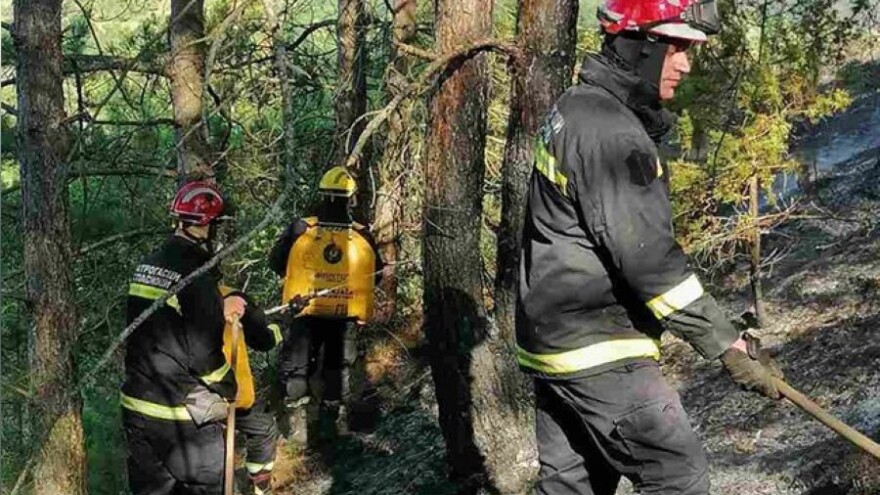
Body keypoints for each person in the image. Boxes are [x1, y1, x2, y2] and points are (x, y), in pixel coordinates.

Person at [515, 1, 783, 494]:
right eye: (677, 48)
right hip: (600, 347)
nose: (686, 64)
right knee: (677, 476)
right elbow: (649, 261)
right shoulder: (611, 132)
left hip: (554, 347)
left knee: (569, 487)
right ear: (640, 45)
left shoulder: (575, 107)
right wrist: (725, 343)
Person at [122, 180, 248, 494]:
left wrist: (217, 305)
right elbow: (203, 354)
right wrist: (228, 385)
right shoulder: (197, 274)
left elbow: (165, 325)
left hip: (137, 407)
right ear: (207, 226)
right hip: (181, 417)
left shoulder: (148, 264)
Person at [269, 166, 383, 444]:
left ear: (321, 194)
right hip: (344, 316)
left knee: (297, 365)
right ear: (351, 198)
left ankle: (298, 431)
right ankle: (334, 427)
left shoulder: (301, 228)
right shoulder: (362, 235)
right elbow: (375, 275)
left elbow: (274, 262)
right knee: (338, 366)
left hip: (303, 311)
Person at [219, 286, 284, 495]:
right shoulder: (234, 298)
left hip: (193, 395)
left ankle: (258, 483)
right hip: (226, 395)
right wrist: (283, 322)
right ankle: (258, 485)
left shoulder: (171, 299)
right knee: (262, 429)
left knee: (263, 428)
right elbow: (264, 340)